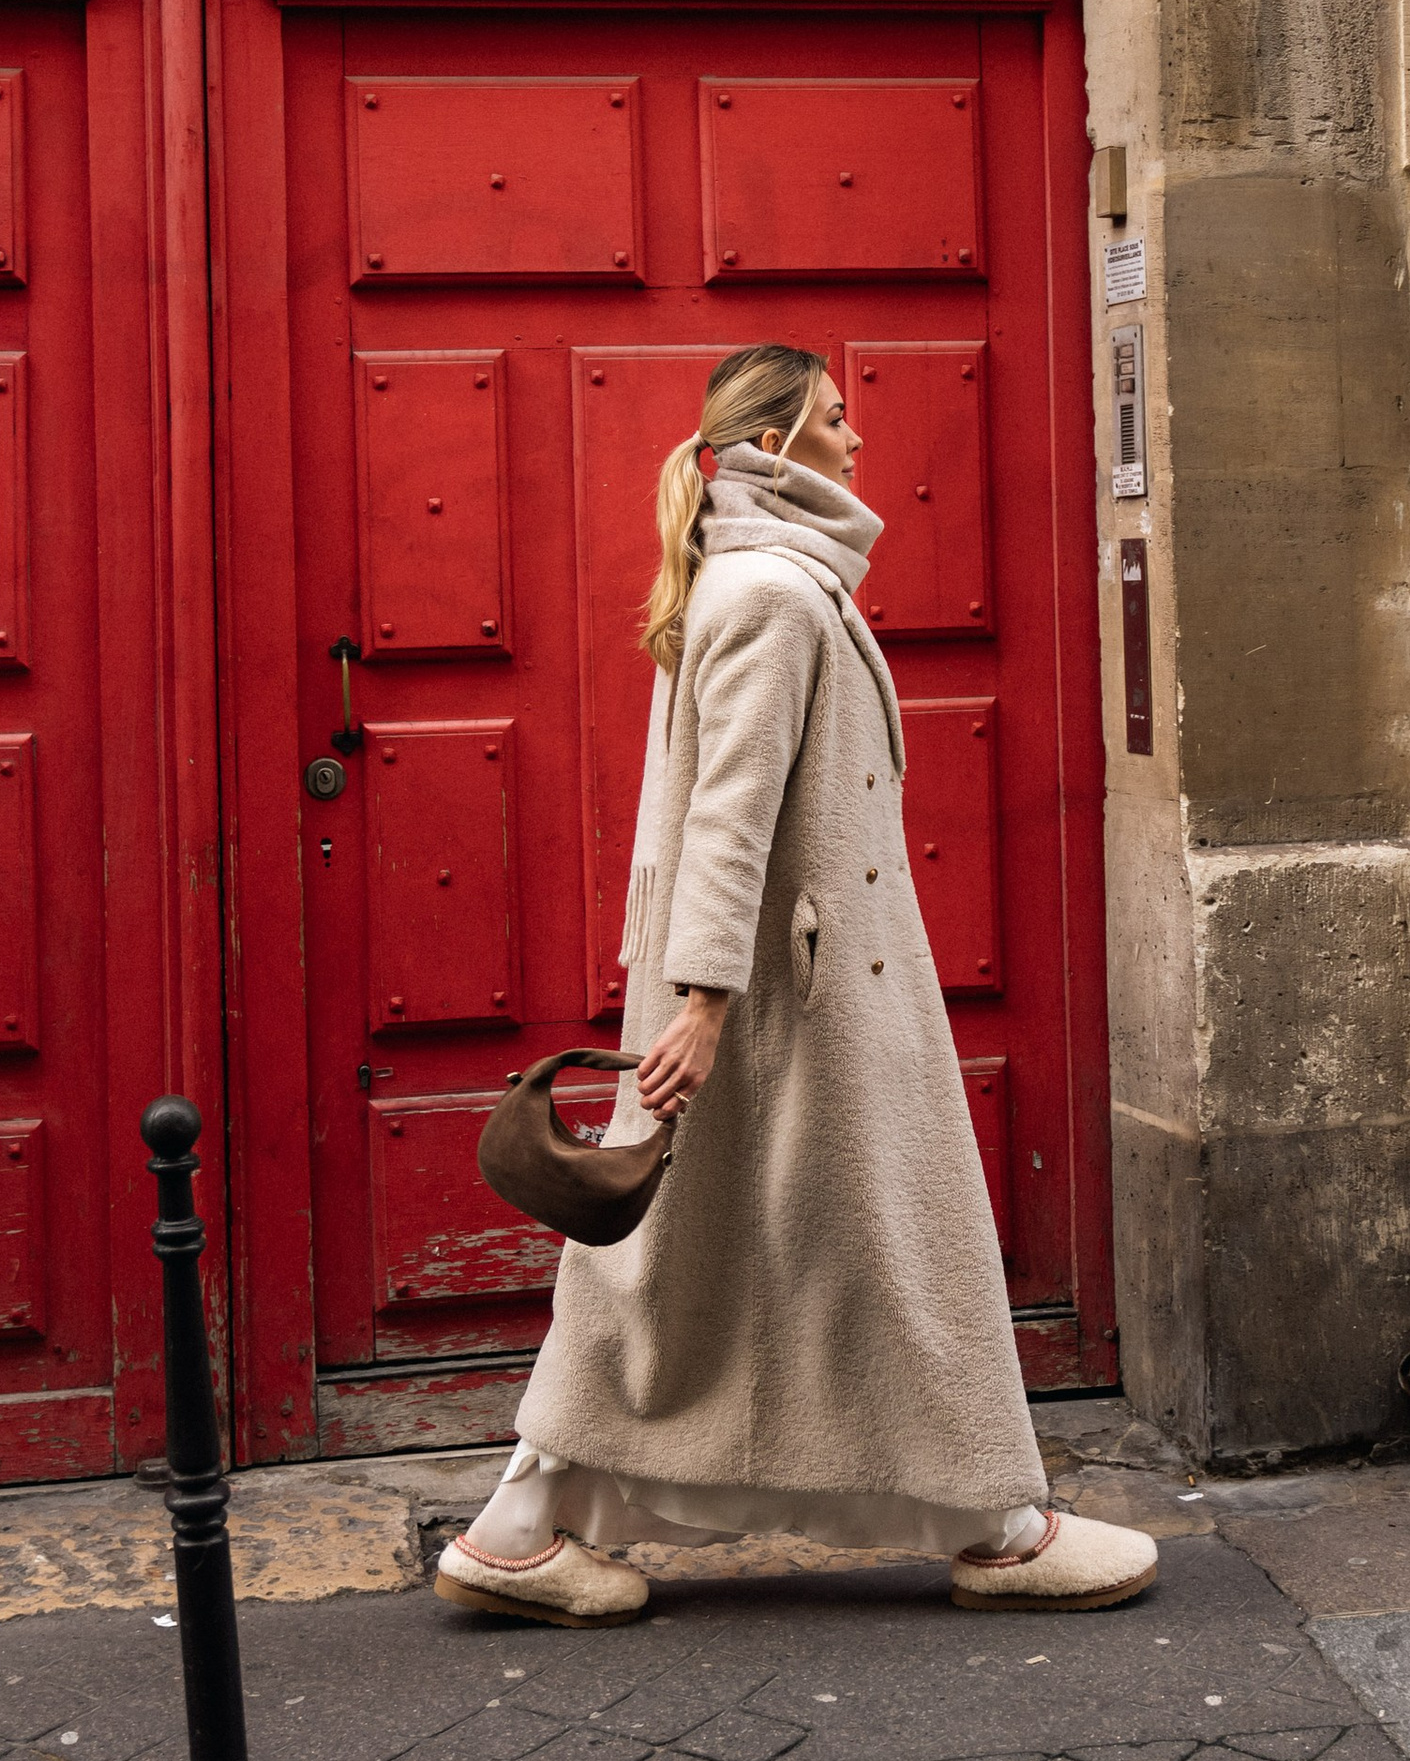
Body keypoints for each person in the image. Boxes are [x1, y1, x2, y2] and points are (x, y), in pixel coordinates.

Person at [435, 341, 1158, 1628]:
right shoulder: (772, 592)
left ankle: (520, 1530)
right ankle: (997, 1525)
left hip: (783, 980)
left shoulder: (756, 579)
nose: (860, 441)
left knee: (716, 1258)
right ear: (773, 448)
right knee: (864, 1236)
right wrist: (704, 1003)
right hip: (785, 995)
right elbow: (727, 812)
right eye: (837, 418)